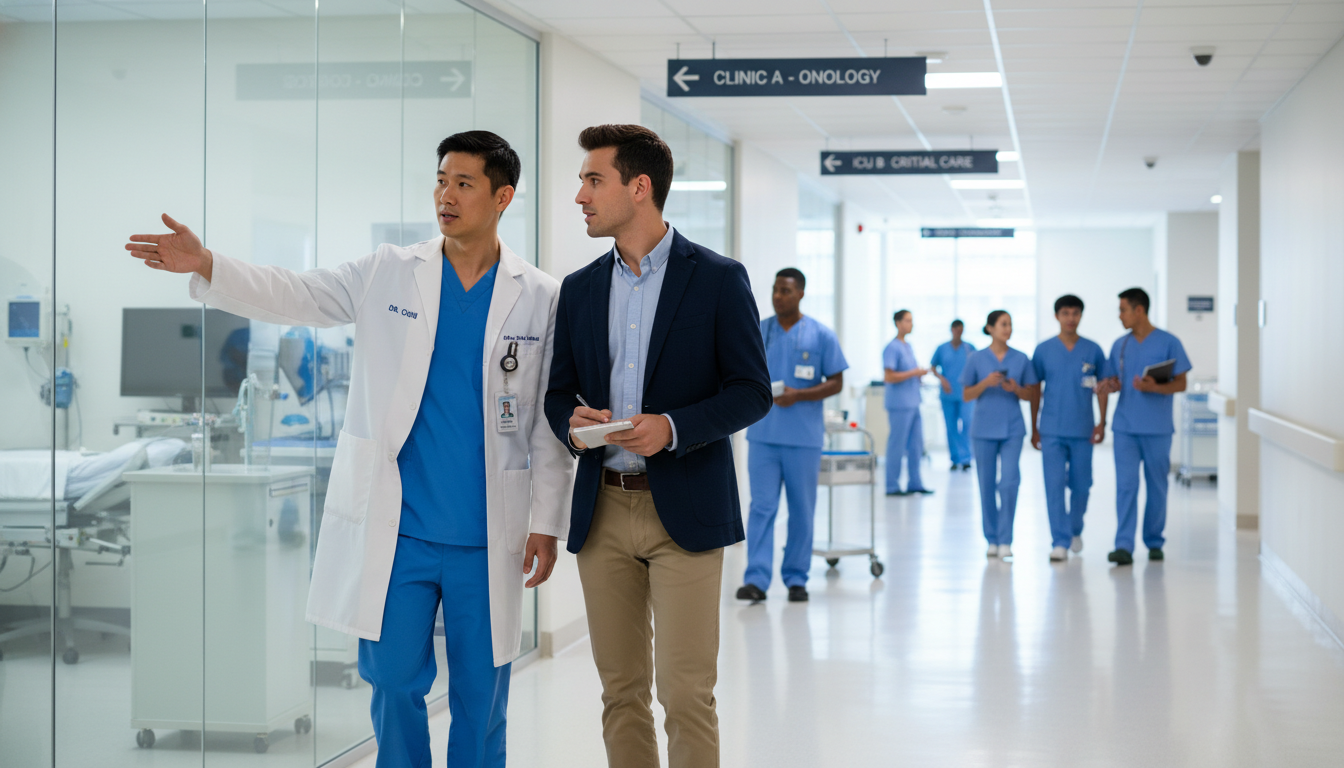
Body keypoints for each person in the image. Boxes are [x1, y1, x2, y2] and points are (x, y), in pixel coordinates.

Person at [125, 131, 573, 768]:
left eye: (464, 183)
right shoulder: (389, 270)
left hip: (487, 532)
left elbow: (546, 425)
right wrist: (208, 265)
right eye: (441, 180)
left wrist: (547, 521)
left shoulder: (540, 296)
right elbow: (297, 293)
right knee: (393, 682)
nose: (445, 195)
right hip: (399, 530)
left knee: (482, 692)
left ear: (502, 197)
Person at [543, 124, 772, 768]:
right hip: (604, 509)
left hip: (686, 511)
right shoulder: (580, 289)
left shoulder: (719, 280)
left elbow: (752, 391)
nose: (580, 196)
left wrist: (672, 426)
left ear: (638, 188)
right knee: (621, 693)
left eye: (593, 180)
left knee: (685, 692)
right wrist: (573, 419)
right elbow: (557, 394)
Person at [736, 267, 848, 603]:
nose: (778, 296)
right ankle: (756, 579)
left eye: (785, 290)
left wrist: (799, 395)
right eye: (775, 290)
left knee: (801, 510)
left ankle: (796, 578)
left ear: (800, 293)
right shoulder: (759, 332)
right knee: (762, 508)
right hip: (764, 436)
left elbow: (837, 381)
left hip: (803, 440)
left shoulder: (820, 335)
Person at [1096, 287, 1190, 566]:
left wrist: (1156, 387)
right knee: (1126, 486)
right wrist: (1110, 386)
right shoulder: (1119, 345)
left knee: (1157, 486)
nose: (1120, 316)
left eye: (1123, 310)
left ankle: (1154, 541)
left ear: (1139, 310)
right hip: (1125, 428)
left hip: (1157, 428)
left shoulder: (1169, 342)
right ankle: (1123, 545)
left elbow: (1181, 383)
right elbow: (1112, 380)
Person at [1030, 295, 1109, 562]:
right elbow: (1034, 390)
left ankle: (1075, 529)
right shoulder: (1043, 350)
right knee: (1053, 486)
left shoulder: (1093, 350)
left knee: (1082, 485)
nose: (1070, 318)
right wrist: (1034, 427)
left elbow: (1103, 387)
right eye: (1065, 313)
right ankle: (1059, 541)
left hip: (1082, 429)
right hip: (1051, 428)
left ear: (1081, 316)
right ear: (1057, 316)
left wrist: (1102, 421)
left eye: (1075, 313)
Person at [961, 310, 1038, 559]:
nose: (1008, 329)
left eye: (1010, 324)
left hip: (1012, 429)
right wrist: (985, 383)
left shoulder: (1021, 358)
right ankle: (991, 539)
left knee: (1009, 482)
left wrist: (1015, 388)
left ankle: (1006, 539)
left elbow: (1031, 394)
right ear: (990, 328)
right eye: (1003, 324)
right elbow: (966, 394)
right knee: (986, 484)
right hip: (983, 429)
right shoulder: (976, 358)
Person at [882, 310, 933, 495]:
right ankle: (892, 485)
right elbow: (889, 376)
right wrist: (913, 373)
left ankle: (915, 483)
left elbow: (907, 372)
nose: (911, 324)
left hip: (913, 402)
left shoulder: (908, 346)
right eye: (908, 321)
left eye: (912, 321)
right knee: (897, 445)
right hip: (899, 404)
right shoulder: (892, 348)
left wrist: (918, 377)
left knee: (916, 445)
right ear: (898, 323)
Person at [931, 319, 976, 470]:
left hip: (966, 394)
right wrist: (942, 380)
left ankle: (966, 457)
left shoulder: (969, 348)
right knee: (951, 427)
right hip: (948, 394)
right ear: (951, 330)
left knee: (967, 424)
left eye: (961, 329)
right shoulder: (942, 348)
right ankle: (955, 458)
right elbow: (933, 367)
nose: (958, 332)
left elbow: (977, 367)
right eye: (956, 329)